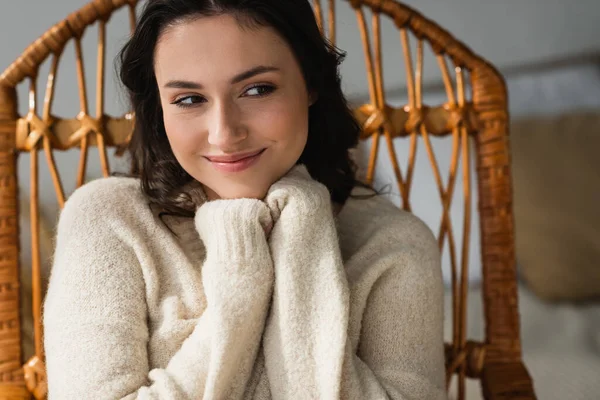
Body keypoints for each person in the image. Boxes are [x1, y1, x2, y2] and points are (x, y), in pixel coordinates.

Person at [43, 0, 446, 399]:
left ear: (310, 85)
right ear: (158, 109)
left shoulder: (393, 244)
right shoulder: (108, 220)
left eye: (257, 89)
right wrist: (241, 272)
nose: (224, 134)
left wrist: (301, 233)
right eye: (188, 99)